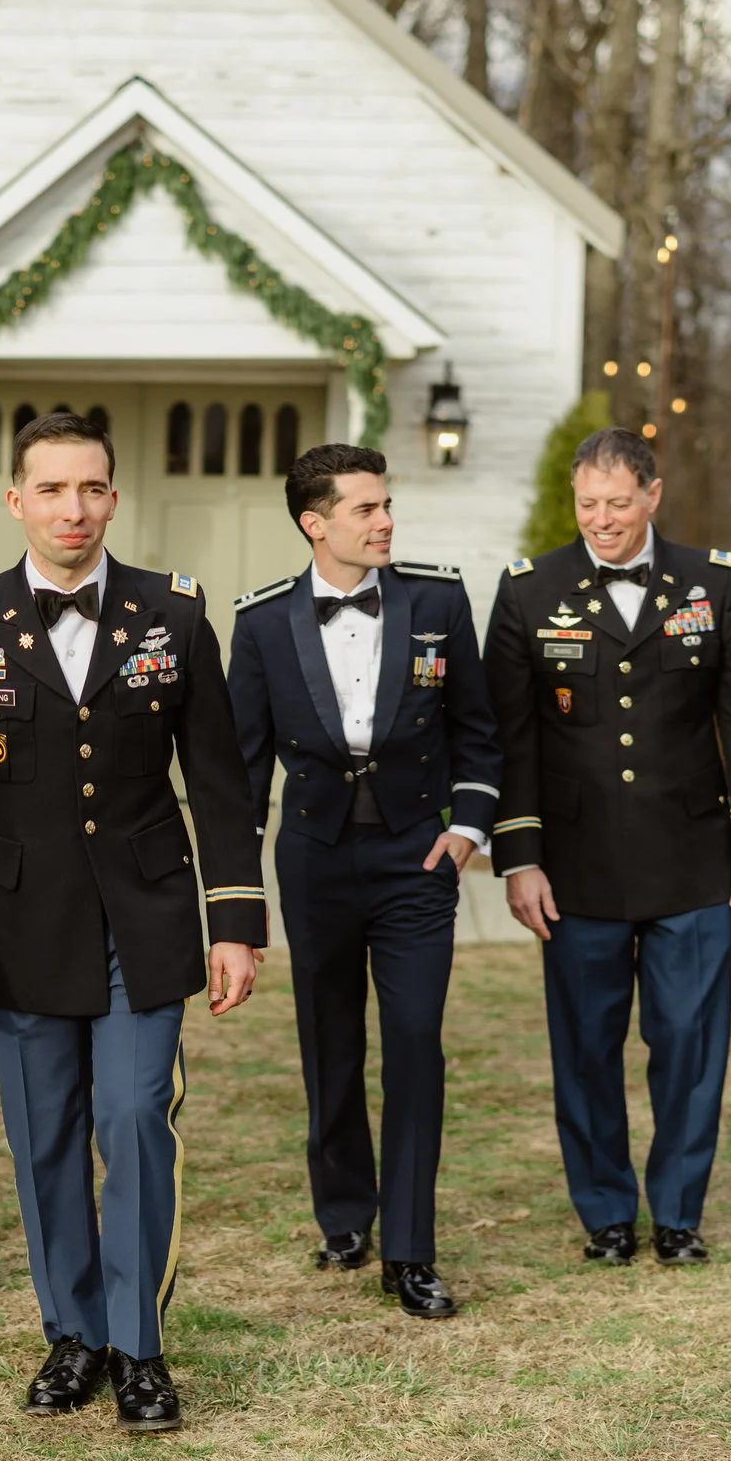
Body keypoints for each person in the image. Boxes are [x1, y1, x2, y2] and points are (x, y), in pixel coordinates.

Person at [0, 411, 265, 1434]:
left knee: (134, 1119)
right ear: (15, 501)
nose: (74, 508)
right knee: (44, 1136)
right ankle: (74, 1336)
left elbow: (222, 787)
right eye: (52, 490)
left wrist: (233, 921)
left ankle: (140, 1347)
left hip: (143, 920)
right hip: (15, 924)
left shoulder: (173, 615)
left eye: (91, 488)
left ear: (113, 497)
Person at [484, 428, 731, 1268]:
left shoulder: (712, 583)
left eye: (618, 503)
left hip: (692, 858)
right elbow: (508, 739)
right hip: (574, 866)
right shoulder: (528, 590)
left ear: (653, 495)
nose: (602, 520)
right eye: (588, 504)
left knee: (690, 1044)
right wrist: (520, 857)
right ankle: (607, 1214)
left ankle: (680, 1213)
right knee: (584, 1047)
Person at [225, 444, 500, 1318]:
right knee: (331, 1042)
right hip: (314, 860)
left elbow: (479, 732)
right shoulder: (263, 623)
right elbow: (239, 771)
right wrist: (238, 895)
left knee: (416, 1044)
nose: (385, 522)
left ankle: (411, 1253)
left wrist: (465, 831)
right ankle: (344, 1214)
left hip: (417, 860)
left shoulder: (439, 601)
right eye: (365, 510)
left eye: (386, 506)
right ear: (316, 523)